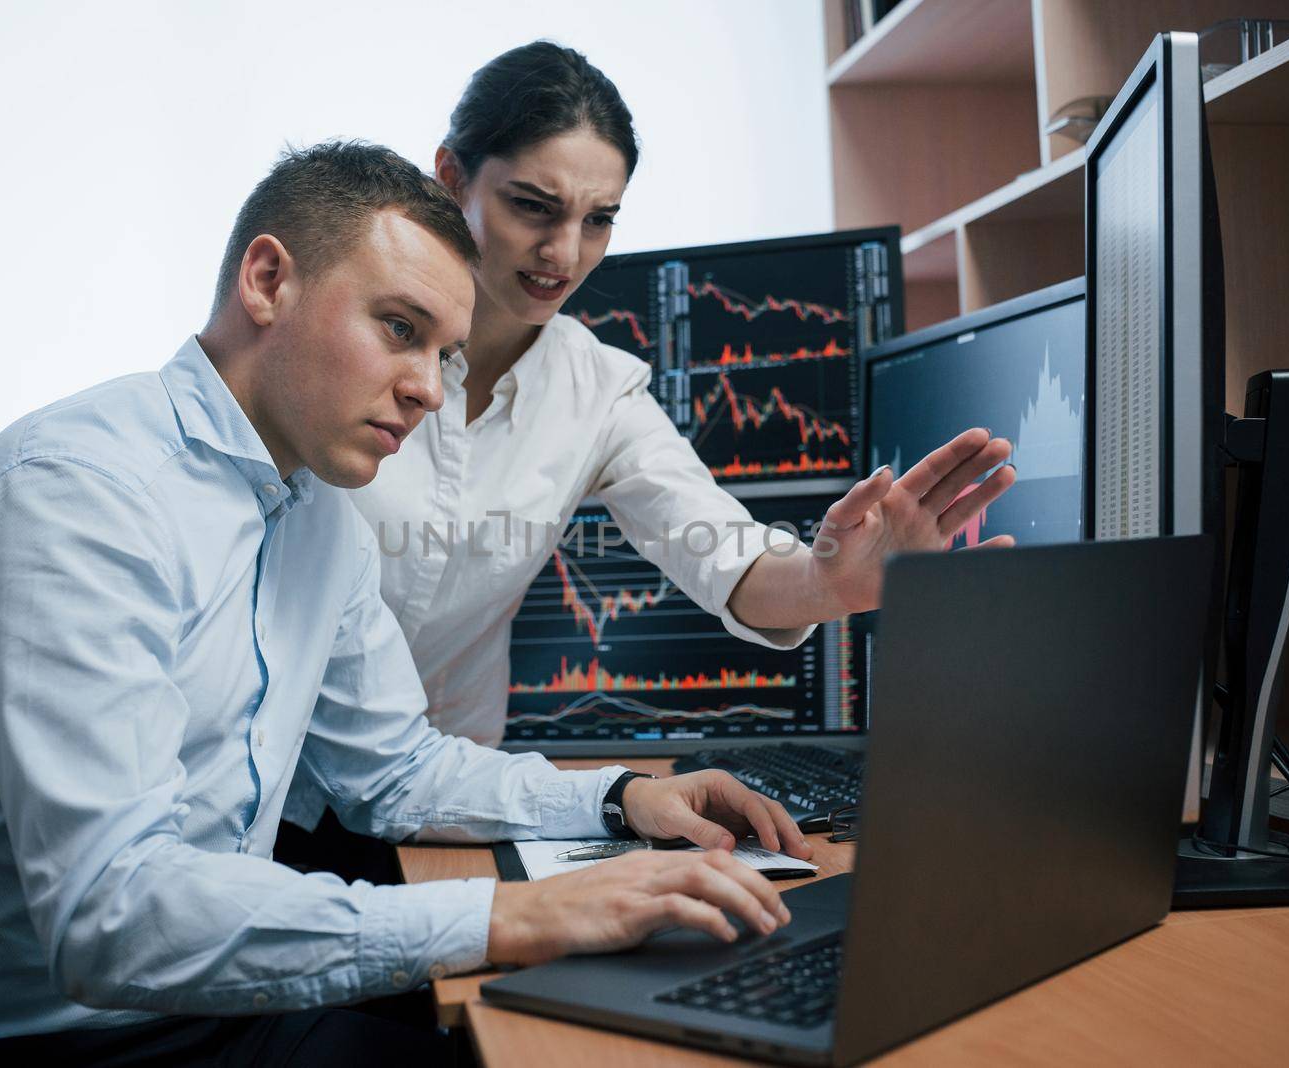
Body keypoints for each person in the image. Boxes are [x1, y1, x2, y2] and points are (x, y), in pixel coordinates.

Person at [0, 141, 809, 1068]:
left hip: (197, 1005)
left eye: (442, 356)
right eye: (399, 330)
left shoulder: (315, 511)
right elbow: (111, 918)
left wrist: (621, 799)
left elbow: (395, 775)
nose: (425, 390)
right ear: (268, 280)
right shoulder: (74, 495)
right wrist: (523, 915)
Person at [329, 42, 1018, 750]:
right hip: (265, 780)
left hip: (438, 786)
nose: (564, 255)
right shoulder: (341, 330)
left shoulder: (598, 390)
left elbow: (719, 548)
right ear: (451, 178)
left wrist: (830, 584)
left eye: (598, 220)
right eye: (533, 207)